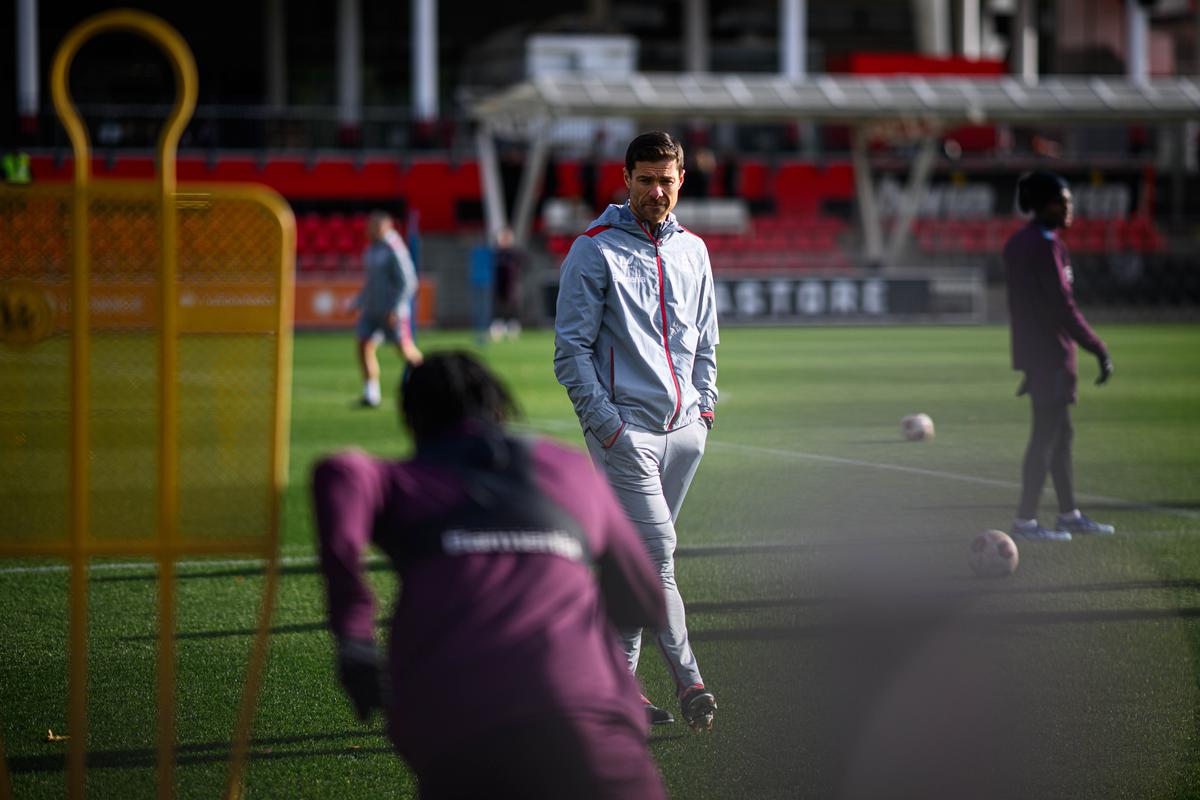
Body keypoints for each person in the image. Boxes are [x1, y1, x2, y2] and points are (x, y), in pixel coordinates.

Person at [312, 352, 669, 799]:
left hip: (463, 734)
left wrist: (355, 636)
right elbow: (646, 602)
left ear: (412, 422)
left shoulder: (408, 482)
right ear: (499, 410)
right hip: (596, 732)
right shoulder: (570, 469)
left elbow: (340, 472)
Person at [554, 131, 720, 731]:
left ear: (682, 180)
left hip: (684, 435)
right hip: (627, 439)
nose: (656, 191)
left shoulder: (695, 250)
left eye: (666, 180)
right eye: (645, 179)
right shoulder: (593, 249)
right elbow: (570, 351)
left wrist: (704, 414)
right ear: (625, 179)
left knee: (634, 566)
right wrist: (609, 429)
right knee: (660, 559)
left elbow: (707, 341)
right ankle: (691, 681)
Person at [1003, 171, 1115, 541]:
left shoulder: (1019, 243)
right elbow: (1062, 308)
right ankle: (1025, 523)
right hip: (1051, 354)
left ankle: (1068, 515)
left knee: (1061, 434)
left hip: (1036, 352)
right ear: (1042, 204)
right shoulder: (1045, 245)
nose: (1069, 208)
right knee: (1046, 435)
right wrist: (1097, 347)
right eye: (1062, 202)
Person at [353, 211, 423, 407]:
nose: (369, 229)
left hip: (392, 312)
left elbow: (409, 282)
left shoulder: (395, 249)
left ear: (384, 227)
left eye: (373, 226)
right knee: (363, 345)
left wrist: (396, 307)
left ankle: (431, 381)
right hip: (372, 310)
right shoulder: (371, 250)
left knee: (405, 350)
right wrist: (358, 303)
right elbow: (372, 282)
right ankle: (371, 394)